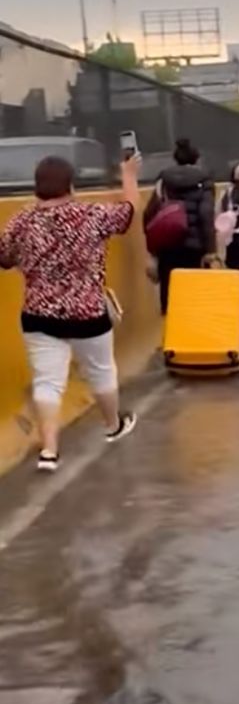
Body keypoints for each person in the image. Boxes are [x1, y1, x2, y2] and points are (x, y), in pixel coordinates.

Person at [0, 155, 139, 472]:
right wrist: (128, 176)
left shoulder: (21, 221)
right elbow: (129, 213)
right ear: (71, 186)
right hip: (88, 313)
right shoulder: (92, 215)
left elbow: (4, 257)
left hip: (38, 315)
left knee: (48, 382)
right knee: (101, 371)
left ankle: (49, 450)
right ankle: (112, 425)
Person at [143, 138, 216, 314]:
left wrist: (152, 250)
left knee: (169, 291)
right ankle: (191, 334)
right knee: (194, 293)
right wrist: (210, 249)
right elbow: (205, 214)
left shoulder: (164, 180)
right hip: (195, 247)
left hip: (167, 246)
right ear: (196, 159)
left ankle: (171, 332)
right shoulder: (204, 181)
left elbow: (149, 214)